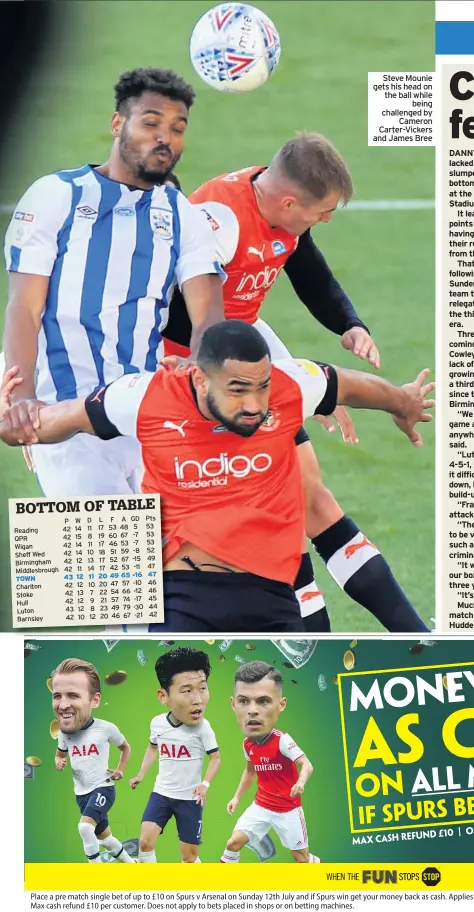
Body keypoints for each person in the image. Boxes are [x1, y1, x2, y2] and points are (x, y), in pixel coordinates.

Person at [0, 321, 434, 633]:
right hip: (183, 597)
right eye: (238, 389)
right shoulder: (145, 398)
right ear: (199, 378)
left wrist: (403, 402)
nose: (255, 404)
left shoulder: (290, 386)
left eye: (261, 385)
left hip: (272, 592)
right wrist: (18, 425)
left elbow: (349, 385)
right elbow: (63, 418)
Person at [161, 134, 426, 632]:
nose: (324, 221)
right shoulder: (219, 221)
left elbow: (307, 273)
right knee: (284, 512)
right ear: (289, 202)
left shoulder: (278, 213)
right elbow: (189, 317)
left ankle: (412, 638)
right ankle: (373, 641)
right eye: (322, 212)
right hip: (193, 384)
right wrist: (289, 387)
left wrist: (349, 325)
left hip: (241, 364)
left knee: (307, 498)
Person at [2, 67, 224, 498]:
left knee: (175, 561)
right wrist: (24, 399)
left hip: (150, 417)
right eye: (152, 122)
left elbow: (208, 315)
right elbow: (24, 309)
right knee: (106, 564)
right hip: (65, 417)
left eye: (178, 129)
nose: (166, 138)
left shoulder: (183, 215)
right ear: (118, 124)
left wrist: (200, 366)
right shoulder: (55, 196)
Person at [221, 661, 319, 865]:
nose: (252, 711)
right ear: (233, 704)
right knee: (233, 843)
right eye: (244, 701)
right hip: (262, 807)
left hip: (288, 810)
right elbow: (249, 773)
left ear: (281, 704)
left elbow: (307, 764)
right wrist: (236, 798)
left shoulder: (282, 740)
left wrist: (300, 783)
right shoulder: (248, 743)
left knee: (301, 859)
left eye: (263, 701)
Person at [129, 647, 220, 863]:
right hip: (161, 793)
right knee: (144, 843)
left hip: (190, 799)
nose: (198, 699)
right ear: (163, 696)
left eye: (203, 688)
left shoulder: (203, 728)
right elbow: (153, 747)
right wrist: (141, 775)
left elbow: (215, 758)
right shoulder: (157, 723)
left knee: (189, 859)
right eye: (187, 691)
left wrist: (205, 784)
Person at [52, 657, 135, 864]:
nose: (63, 705)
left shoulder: (105, 728)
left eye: (73, 695)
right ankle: (131, 864)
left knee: (84, 827)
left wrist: (120, 769)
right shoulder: (64, 732)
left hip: (103, 789)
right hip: (81, 794)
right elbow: (60, 752)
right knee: (104, 839)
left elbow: (125, 747)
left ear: (95, 700)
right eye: (57, 696)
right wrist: (58, 760)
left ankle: (96, 876)